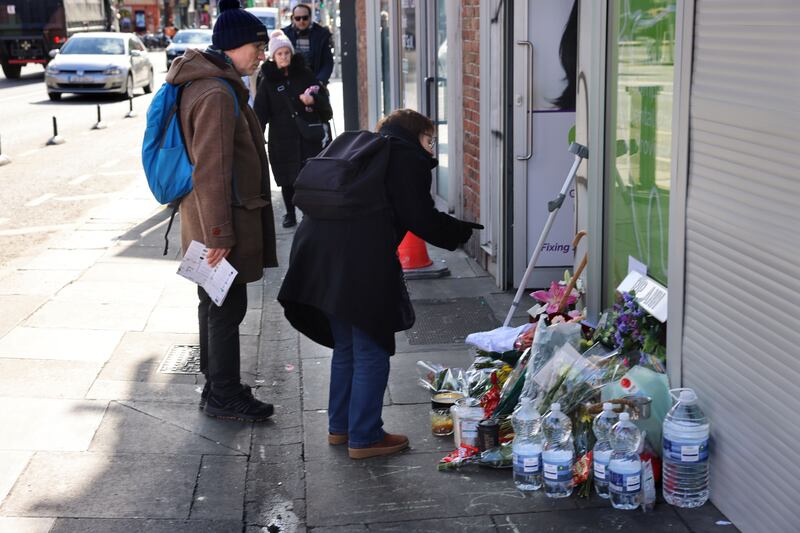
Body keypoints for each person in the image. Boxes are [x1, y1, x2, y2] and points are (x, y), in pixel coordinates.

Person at [277, 109, 483, 459]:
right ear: (413, 135)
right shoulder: (404, 158)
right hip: (357, 261)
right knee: (372, 347)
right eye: (429, 140)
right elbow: (419, 216)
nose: (431, 150)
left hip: (316, 255)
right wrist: (460, 232)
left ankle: (340, 428)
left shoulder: (362, 149)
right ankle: (366, 436)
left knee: (347, 346)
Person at [166, 0, 277, 421]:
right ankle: (224, 394)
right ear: (233, 47)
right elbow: (211, 167)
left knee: (213, 303)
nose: (262, 55)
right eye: (257, 46)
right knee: (227, 308)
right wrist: (219, 234)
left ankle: (217, 384)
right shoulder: (214, 92)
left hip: (209, 217)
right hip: (218, 220)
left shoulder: (213, 84)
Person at [253, 29, 333, 228]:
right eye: (279, 54)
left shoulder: (305, 74)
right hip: (281, 138)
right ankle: (290, 213)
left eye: (286, 52)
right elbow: (260, 113)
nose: (284, 57)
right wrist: (256, 137)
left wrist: (313, 99)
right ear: (273, 57)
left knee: (309, 176)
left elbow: (325, 105)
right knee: (286, 178)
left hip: (307, 136)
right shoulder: (267, 82)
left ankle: (309, 212)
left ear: (291, 53)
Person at [280, 3, 334, 85]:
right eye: (298, 18)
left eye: (305, 18)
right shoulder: (284, 35)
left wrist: (320, 81)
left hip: (315, 82)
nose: (301, 21)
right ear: (293, 18)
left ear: (310, 17)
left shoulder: (321, 34)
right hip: (290, 84)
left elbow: (327, 61)